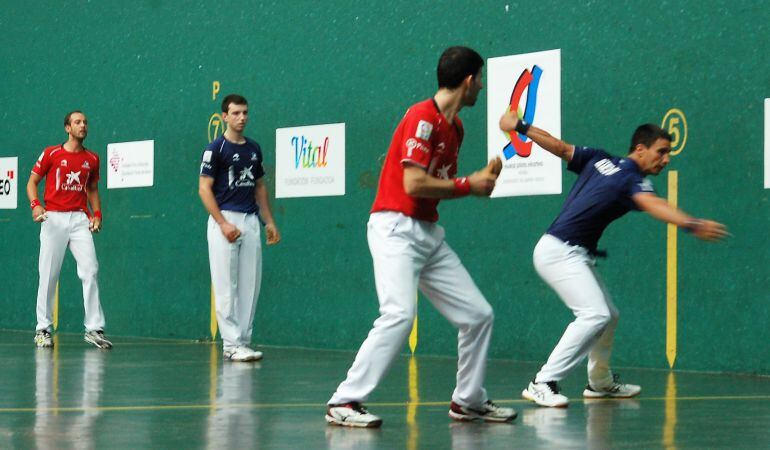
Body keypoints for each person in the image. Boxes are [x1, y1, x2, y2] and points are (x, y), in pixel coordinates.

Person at [325, 46, 516, 428]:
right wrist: (469, 185)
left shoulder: (456, 127)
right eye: (480, 79)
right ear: (468, 80)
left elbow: (438, 184)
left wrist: (479, 179)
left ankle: (468, 400)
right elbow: (413, 182)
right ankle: (344, 401)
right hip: (395, 228)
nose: (481, 86)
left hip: (428, 234)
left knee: (478, 315)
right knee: (398, 314)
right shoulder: (421, 117)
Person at [499, 109, 728, 407]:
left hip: (568, 251)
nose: (666, 159)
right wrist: (693, 224)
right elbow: (652, 203)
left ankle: (599, 382)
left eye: (668, 153)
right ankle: (543, 381)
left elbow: (559, 146)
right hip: (559, 251)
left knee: (609, 316)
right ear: (640, 149)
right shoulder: (631, 180)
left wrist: (520, 125)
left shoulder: (599, 158)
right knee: (595, 315)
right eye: (661, 152)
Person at [199, 94, 280, 362]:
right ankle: (231, 343)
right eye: (235, 113)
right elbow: (204, 189)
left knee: (250, 284)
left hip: (251, 220)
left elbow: (260, 187)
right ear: (224, 116)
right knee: (226, 285)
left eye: (245, 112)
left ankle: (243, 340)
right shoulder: (215, 149)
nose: (241, 117)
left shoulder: (254, 148)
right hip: (224, 218)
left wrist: (269, 221)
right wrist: (222, 223)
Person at [27, 110, 112, 349]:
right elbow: (32, 182)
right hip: (52, 218)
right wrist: (35, 206)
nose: (83, 125)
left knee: (91, 269)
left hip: (79, 220)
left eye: (85, 122)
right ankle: (42, 329)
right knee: (49, 275)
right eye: (77, 122)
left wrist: (97, 214)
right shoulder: (51, 153)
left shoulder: (92, 159)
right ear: (67, 128)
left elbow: (92, 189)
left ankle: (94, 328)